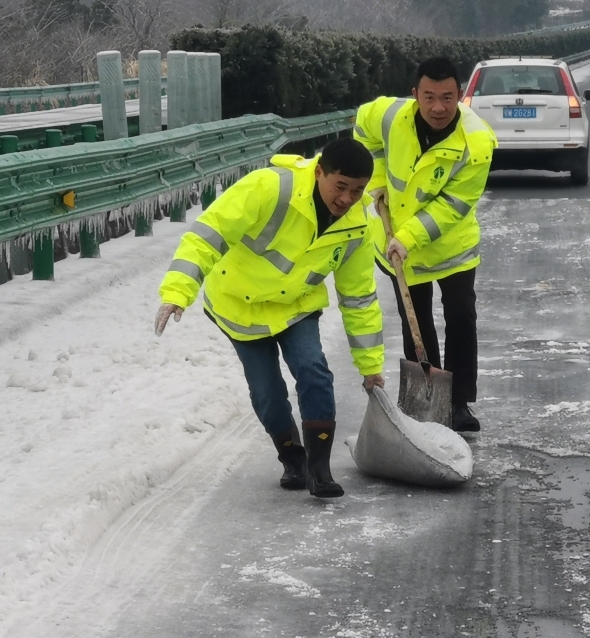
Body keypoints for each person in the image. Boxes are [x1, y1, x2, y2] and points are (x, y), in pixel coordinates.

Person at [154, 137, 385, 498]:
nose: (347, 200)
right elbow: (207, 235)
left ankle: (319, 469)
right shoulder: (270, 188)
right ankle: (292, 458)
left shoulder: (357, 226)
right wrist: (178, 291)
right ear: (319, 171)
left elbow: (359, 297)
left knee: (313, 370)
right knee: (268, 392)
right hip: (238, 305)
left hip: (296, 306)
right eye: (341, 187)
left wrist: (371, 365)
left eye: (357, 191)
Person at [354, 57, 496, 433]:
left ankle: (459, 401)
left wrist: (409, 237)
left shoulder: (476, 141)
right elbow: (362, 132)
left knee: (461, 317)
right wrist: (377, 178)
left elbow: (454, 204)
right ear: (414, 94)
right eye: (429, 96)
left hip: (451, 246)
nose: (438, 107)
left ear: (460, 94)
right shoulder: (388, 115)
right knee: (414, 320)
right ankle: (428, 399)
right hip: (399, 243)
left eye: (447, 97)